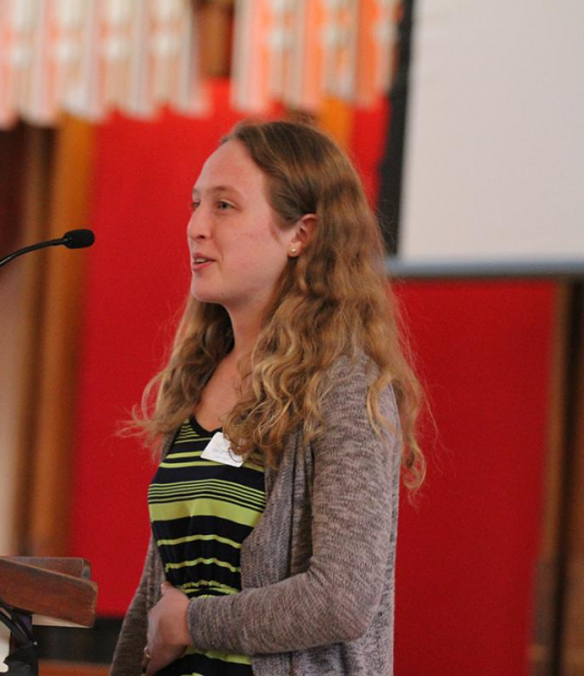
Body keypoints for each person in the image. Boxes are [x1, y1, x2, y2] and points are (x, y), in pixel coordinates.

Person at [109, 120, 425, 676]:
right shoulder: (200, 376)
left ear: (300, 233)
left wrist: (193, 624)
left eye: (225, 206)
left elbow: (342, 598)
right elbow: (161, 592)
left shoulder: (348, 386)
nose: (196, 227)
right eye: (196, 203)